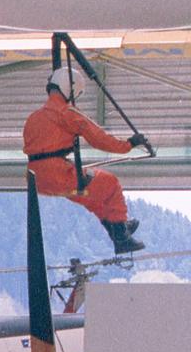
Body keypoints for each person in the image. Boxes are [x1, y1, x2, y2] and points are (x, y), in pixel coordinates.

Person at [24, 81, 152, 254]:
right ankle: (121, 236)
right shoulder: (66, 113)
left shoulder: (34, 117)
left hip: (38, 181)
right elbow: (98, 138)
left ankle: (117, 228)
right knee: (111, 183)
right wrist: (128, 144)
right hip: (60, 176)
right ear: (69, 89)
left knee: (93, 198)